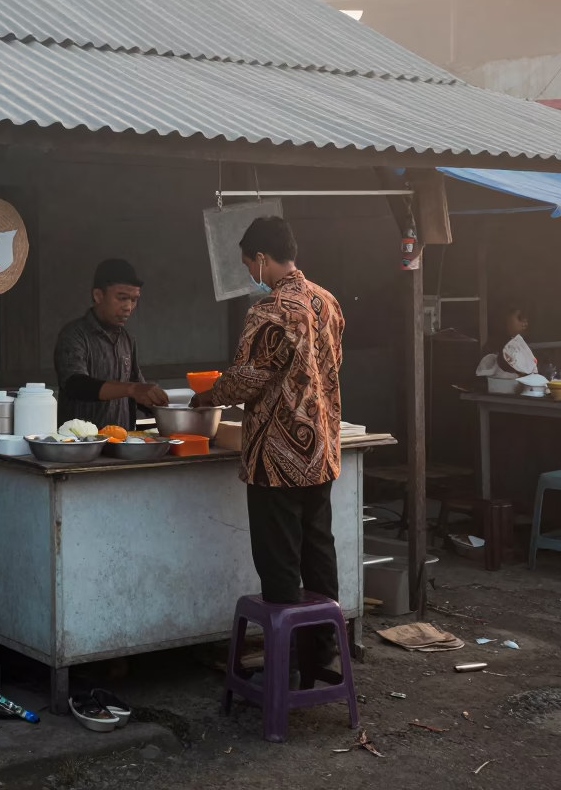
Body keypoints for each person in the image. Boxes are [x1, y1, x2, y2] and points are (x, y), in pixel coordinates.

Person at [194, 216, 344, 686]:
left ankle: (286, 665)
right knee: (319, 552)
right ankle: (321, 657)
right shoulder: (327, 301)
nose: (250, 273)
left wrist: (206, 396)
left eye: (248, 264)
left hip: (276, 459)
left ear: (261, 258)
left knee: (279, 562)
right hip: (320, 449)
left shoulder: (270, 310)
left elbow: (248, 379)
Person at [54, 258, 169, 430]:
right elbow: (75, 384)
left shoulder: (127, 339)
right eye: (122, 298)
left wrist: (164, 405)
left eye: (134, 300)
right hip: (81, 447)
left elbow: (138, 389)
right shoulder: (74, 334)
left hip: (122, 446)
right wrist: (132, 389)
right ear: (98, 296)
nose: (128, 307)